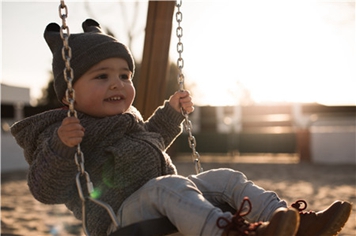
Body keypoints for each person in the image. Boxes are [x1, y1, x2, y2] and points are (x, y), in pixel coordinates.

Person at [11, 19, 351, 236]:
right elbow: (45, 190)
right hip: (116, 217)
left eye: (124, 76)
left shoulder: (126, 121)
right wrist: (61, 146)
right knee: (169, 186)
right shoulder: (61, 131)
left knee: (227, 177)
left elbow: (154, 138)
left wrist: (171, 112)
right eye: (102, 77)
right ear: (70, 91)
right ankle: (232, 233)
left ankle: (292, 223)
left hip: (163, 196)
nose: (117, 85)